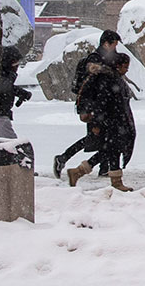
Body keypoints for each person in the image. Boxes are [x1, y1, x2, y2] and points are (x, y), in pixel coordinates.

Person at [53, 30, 121, 179]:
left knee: (104, 139)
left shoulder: (103, 60)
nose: (115, 48)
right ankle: (63, 158)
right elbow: (94, 89)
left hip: (99, 107)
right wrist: (94, 110)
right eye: (114, 45)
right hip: (94, 108)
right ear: (106, 44)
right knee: (95, 138)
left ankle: (104, 168)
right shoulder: (96, 61)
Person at [67, 52, 137, 191]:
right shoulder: (108, 79)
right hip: (111, 122)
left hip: (115, 121)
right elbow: (101, 103)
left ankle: (79, 172)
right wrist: (97, 124)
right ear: (117, 66)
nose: (126, 70)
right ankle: (115, 181)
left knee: (110, 150)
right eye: (125, 67)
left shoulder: (114, 77)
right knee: (113, 149)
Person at [0, 46, 32, 138]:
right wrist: (19, 92)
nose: (17, 67)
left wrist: (20, 92)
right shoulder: (3, 75)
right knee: (13, 147)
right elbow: (5, 88)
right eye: (15, 64)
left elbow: (7, 87)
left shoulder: (3, 75)